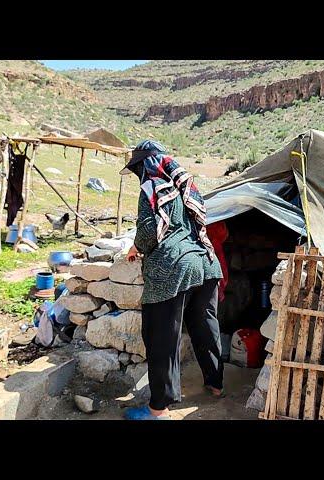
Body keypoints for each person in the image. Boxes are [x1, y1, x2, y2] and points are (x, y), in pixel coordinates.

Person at [121, 140, 224, 420]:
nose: (137, 175)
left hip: (173, 268)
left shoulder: (152, 188)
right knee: (205, 326)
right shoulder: (186, 186)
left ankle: (158, 408)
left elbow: (149, 231)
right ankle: (215, 384)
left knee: (161, 336)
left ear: (145, 166)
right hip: (205, 261)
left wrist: (136, 247)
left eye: (137, 169)